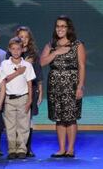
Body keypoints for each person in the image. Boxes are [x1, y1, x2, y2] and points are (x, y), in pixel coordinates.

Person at [40, 15, 86, 158]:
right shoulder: (50, 45)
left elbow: (82, 66)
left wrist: (80, 86)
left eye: (63, 26)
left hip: (71, 85)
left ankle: (70, 149)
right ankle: (61, 149)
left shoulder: (77, 45)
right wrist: (55, 53)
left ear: (68, 28)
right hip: (54, 86)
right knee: (59, 118)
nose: (59, 29)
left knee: (70, 117)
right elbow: (41, 63)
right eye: (57, 26)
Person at [0, 37, 36, 160]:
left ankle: (21, 149)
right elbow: (4, 80)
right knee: (10, 126)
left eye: (18, 49)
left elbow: (30, 83)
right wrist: (18, 72)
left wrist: (30, 99)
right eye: (13, 49)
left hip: (23, 98)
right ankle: (12, 149)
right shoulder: (5, 64)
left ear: (22, 49)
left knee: (24, 125)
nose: (16, 51)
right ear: (9, 49)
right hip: (9, 99)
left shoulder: (27, 65)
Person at [15, 26, 43, 157]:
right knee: (17, 120)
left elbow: (38, 74)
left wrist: (40, 91)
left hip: (31, 90)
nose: (24, 40)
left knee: (28, 120)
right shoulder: (13, 53)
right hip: (16, 90)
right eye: (21, 37)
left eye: (26, 37)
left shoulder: (33, 55)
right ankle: (17, 147)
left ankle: (27, 147)